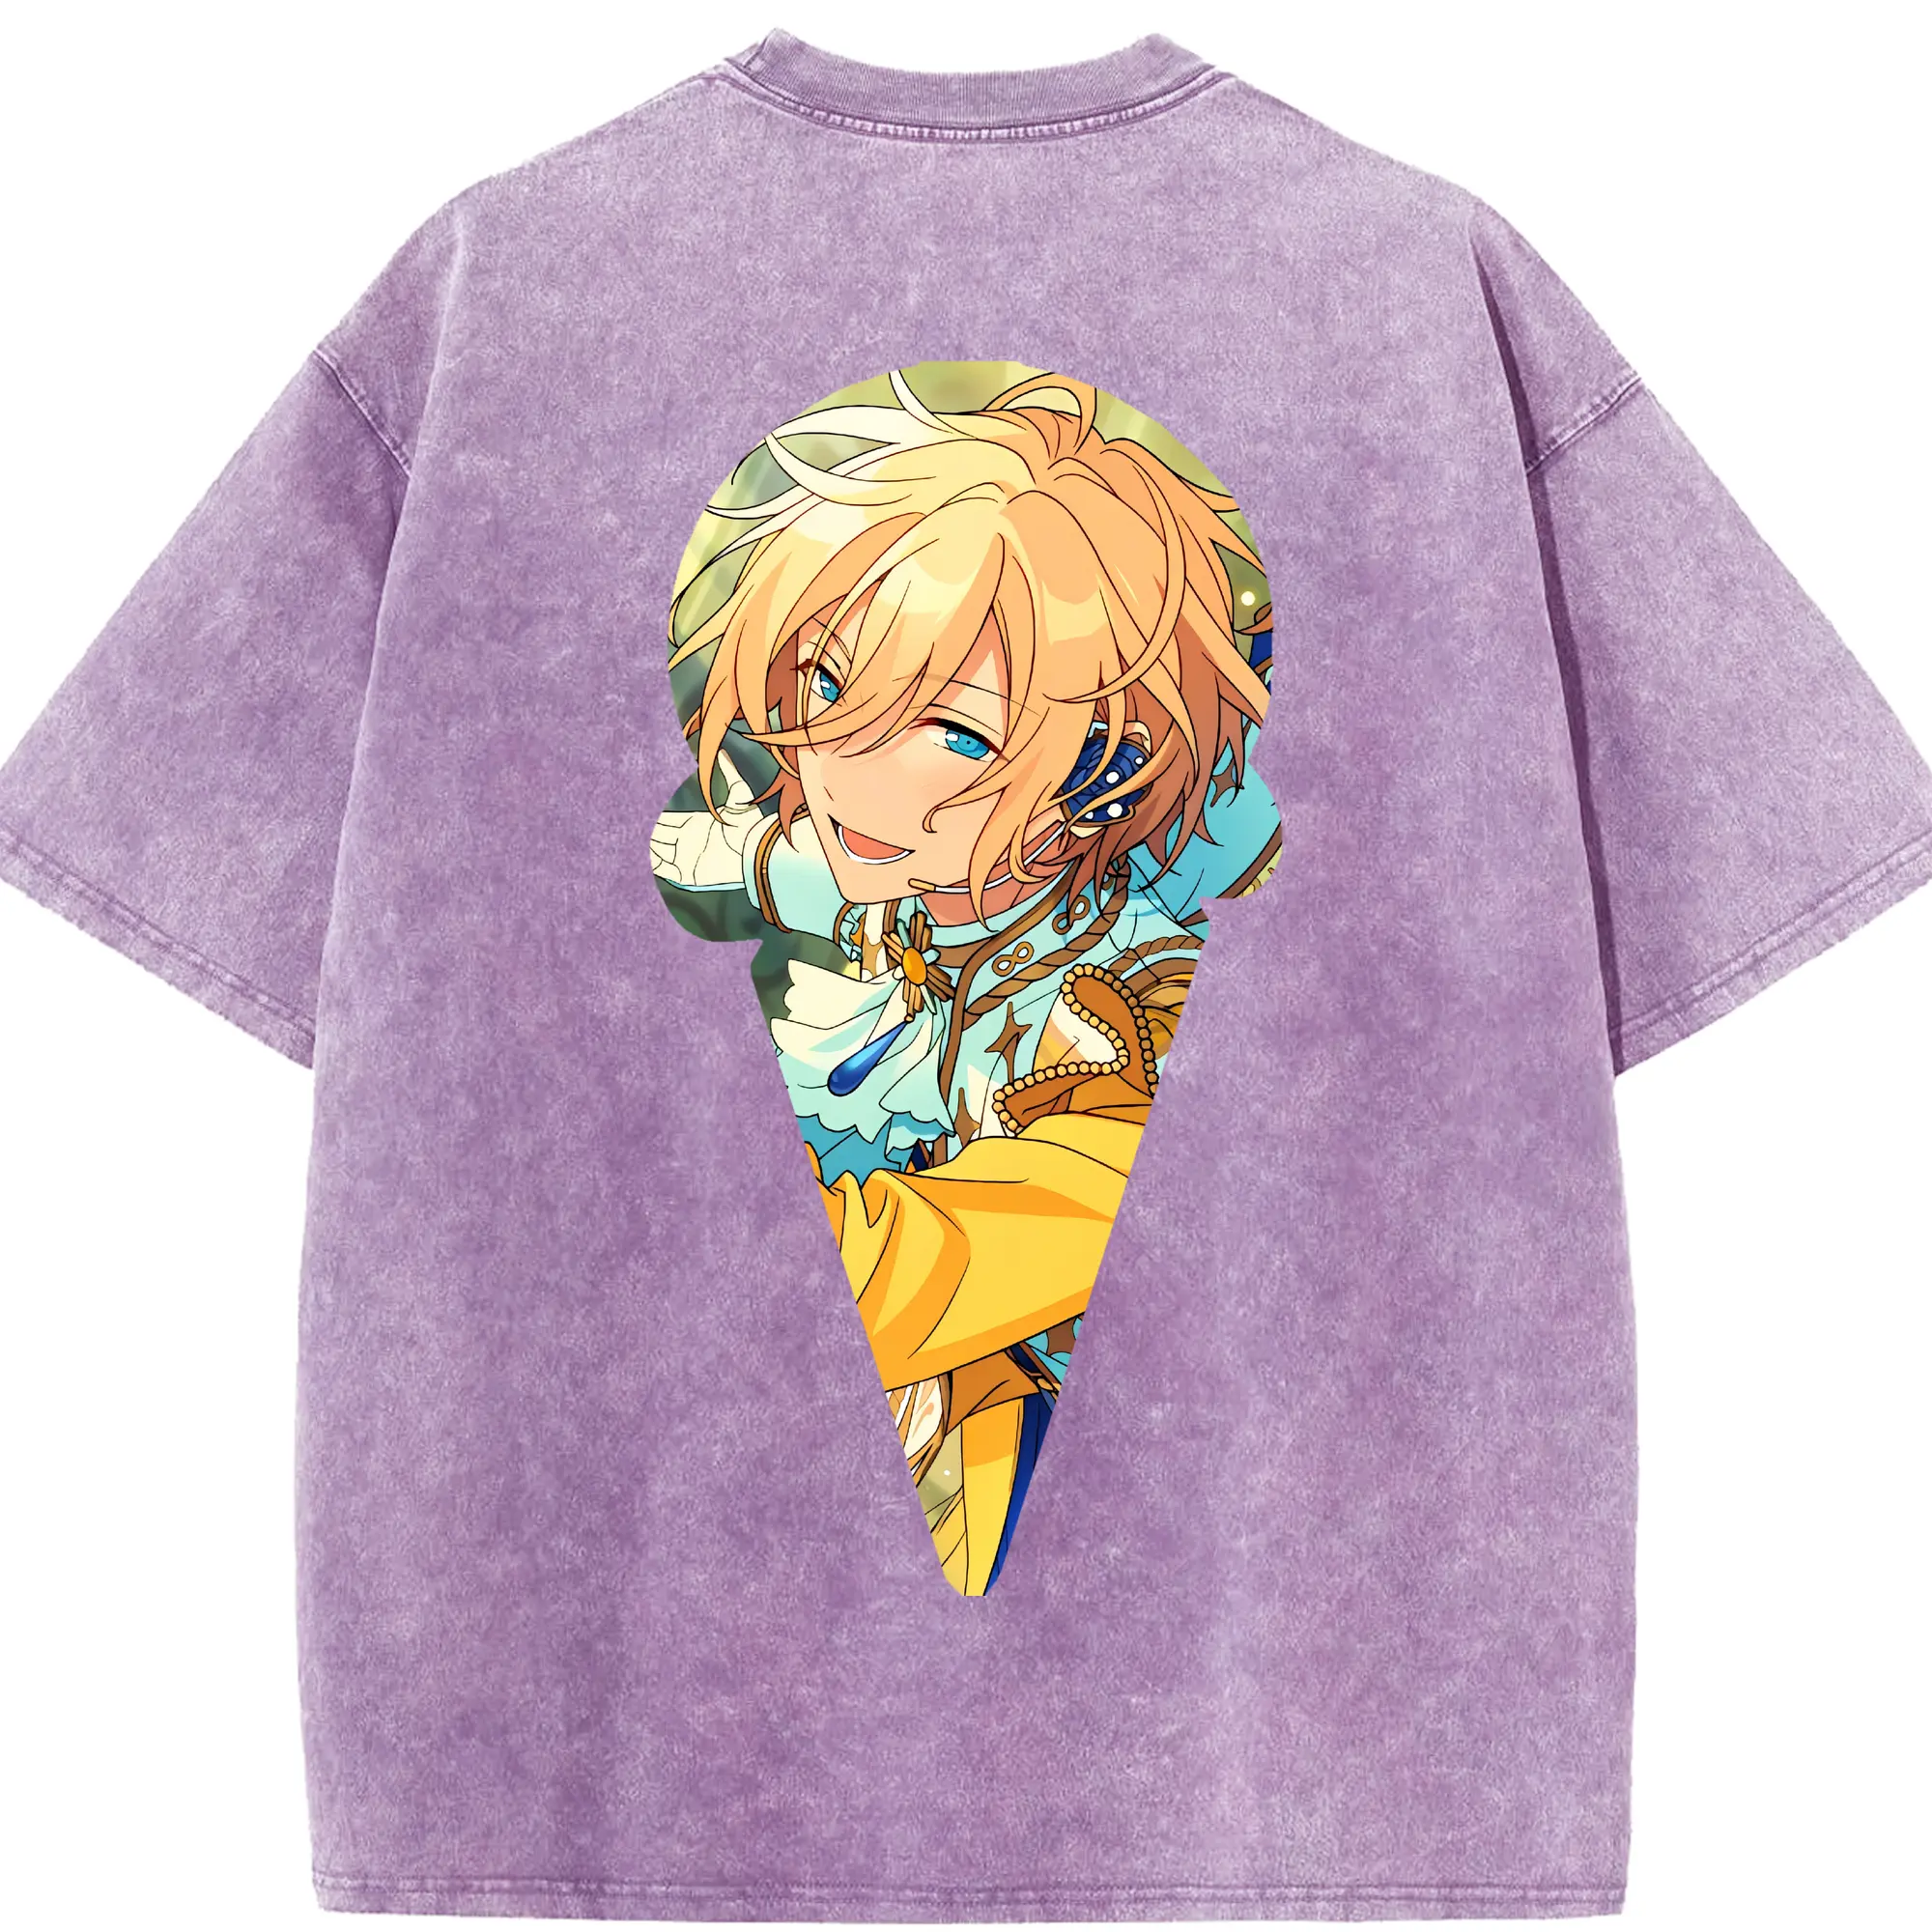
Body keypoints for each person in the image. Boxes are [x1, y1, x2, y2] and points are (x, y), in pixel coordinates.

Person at [650, 367, 1281, 1594]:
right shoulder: (901, 880)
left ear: (1101, 766)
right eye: (830, 686)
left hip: (1085, 1569)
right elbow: (763, 859)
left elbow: (932, 1271)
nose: (848, 767)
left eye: (956, 733)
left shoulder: (1118, 1015)